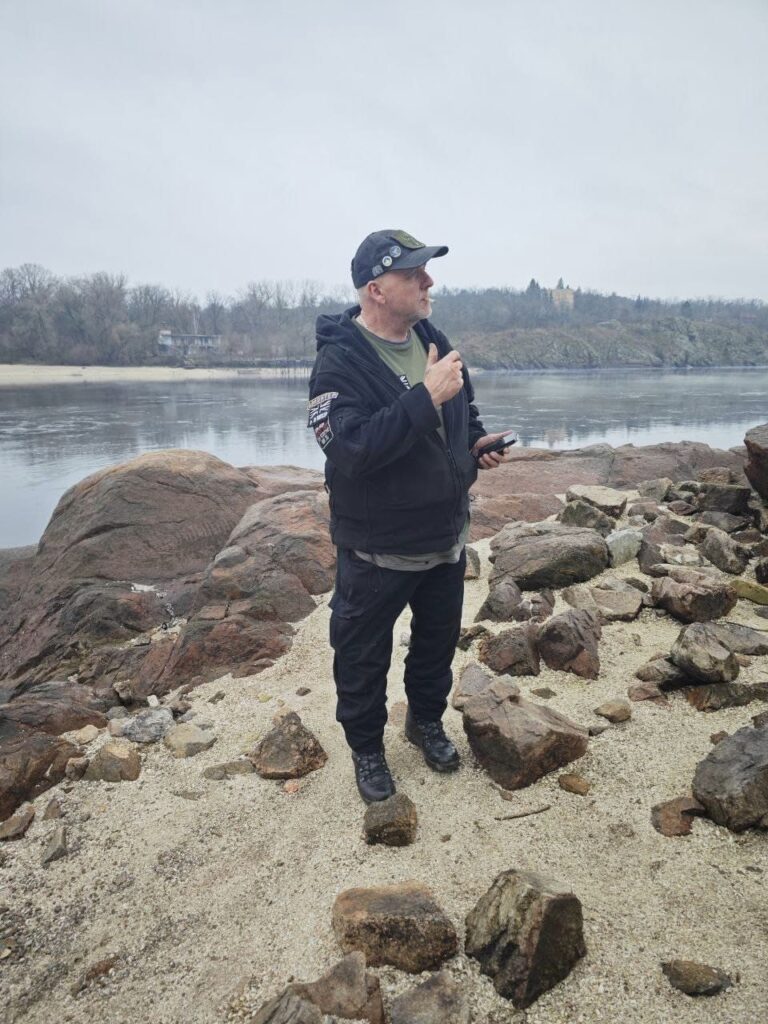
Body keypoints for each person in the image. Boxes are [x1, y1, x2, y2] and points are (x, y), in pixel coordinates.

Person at [307, 229, 508, 803]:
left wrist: (474, 445)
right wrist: (425, 397)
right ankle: (367, 750)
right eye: (413, 274)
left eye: (426, 271)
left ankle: (424, 724)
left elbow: (463, 411)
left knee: (436, 647)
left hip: (445, 538)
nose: (428, 281)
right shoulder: (339, 362)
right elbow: (350, 450)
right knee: (362, 657)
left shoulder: (431, 338)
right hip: (378, 548)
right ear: (376, 289)